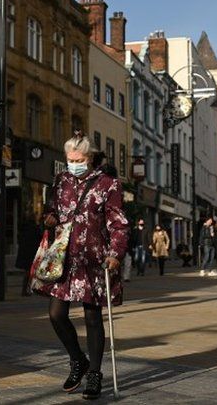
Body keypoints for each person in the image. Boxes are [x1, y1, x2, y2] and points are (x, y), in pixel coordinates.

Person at [33, 133, 129, 399]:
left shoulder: (108, 184)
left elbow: (118, 223)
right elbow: (51, 209)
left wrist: (115, 254)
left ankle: (95, 375)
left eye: (78, 159)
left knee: (92, 317)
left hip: (94, 259)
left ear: (89, 158)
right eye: (69, 159)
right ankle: (78, 360)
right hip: (65, 259)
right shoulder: (61, 180)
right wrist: (49, 218)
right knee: (56, 314)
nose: (73, 163)